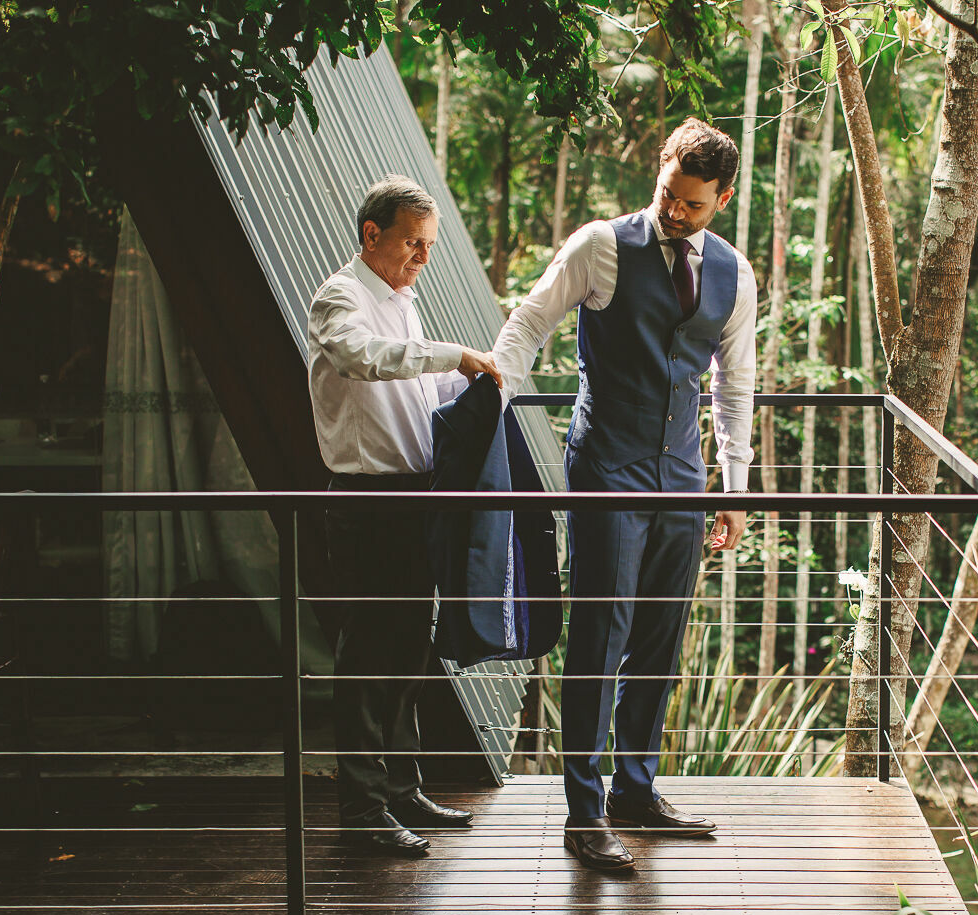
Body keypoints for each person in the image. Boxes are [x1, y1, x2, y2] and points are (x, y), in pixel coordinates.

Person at [493, 118, 757, 871]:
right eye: (669, 194)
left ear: (723, 199)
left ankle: (635, 790)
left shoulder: (736, 276)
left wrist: (730, 488)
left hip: (682, 471)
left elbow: (734, 387)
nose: (676, 212)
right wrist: (495, 390)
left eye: (695, 205)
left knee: (660, 637)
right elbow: (531, 320)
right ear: (661, 172)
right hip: (606, 462)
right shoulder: (600, 246)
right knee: (600, 634)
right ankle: (583, 811)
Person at [307, 174, 504, 857]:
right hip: (367, 503)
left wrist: (472, 374)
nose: (424, 257)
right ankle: (362, 811)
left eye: (429, 246)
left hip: (416, 496)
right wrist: (452, 354)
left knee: (408, 650)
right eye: (414, 244)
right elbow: (361, 360)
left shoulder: (402, 300)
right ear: (372, 235)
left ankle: (401, 788)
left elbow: (417, 386)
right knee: (366, 655)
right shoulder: (342, 297)